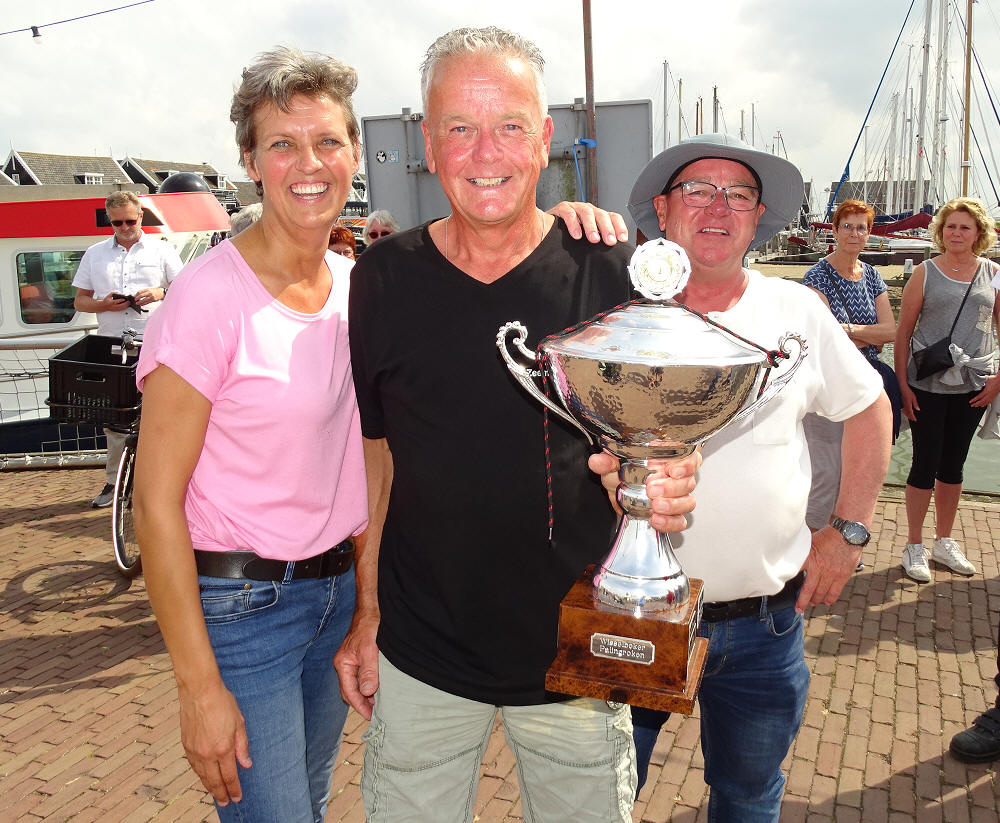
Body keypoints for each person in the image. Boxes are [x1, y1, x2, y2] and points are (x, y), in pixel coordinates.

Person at [337, 27, 697, 823]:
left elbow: (656, 441)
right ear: (428, 144)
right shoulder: (382, 278)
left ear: (544, 139)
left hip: (575, 649)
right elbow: (378, 459)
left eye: (508, 124)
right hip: (422, 649)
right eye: (459, 127)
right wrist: (367, 613)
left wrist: (668, 480)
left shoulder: (610, 267)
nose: (483, 150)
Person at [606, 132, 892, 820]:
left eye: (737, 194)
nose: (717, 207)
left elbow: (870, 408)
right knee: (602, 796)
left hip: (765, 624)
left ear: (758, 217)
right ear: (663, 212)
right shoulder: (616, 311)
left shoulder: (795, 310)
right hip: (636, 618)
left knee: (749, 794)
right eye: (697, 190)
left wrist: (848, 531)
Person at [132, 46, 367, 823]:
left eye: (328, 140)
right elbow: (155, 503)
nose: (309, 162)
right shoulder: (207, 299)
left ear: (354, 154)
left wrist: (366, 603)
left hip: (335, 597)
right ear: (249, 162)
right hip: (244, 608)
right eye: (282, 143)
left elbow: (372, 457)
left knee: (311, 799)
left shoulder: (359, 293)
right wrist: (198, 685)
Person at [894, 196, 1000, 583]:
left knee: (954, 464)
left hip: (974, 385)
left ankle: (944, 540)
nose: (956, 233)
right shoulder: (925, 271)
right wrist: (903, 386)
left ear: (978, 234)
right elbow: (904, 331)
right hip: (928, 384)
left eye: (965, 227)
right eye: (951, 226)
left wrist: (998, 380)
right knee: (924, 462)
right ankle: (914, 545)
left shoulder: (993, 272)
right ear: (941, 231)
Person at [800, 200, 898, 568]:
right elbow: (824, 341)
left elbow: (890, 331)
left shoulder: (872, 276)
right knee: (825, 472)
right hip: (826, 389)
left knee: (855, 470)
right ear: (835, 230)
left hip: (865, 387)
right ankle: (808, 548)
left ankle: (838, 543)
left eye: (862, 227)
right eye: (848, 226)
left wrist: (849, 331)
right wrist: (863, 336)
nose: (855, 234)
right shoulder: (817, 277)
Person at [72, 190, 182, 508]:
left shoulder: (163, 250)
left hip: (155, 345)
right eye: (117, 222)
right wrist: (102, 304)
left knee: (159, 416)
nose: (124, 226)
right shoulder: (94, 253)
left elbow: (185, 288)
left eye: (130, 220)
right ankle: (114, 482)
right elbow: (80, 300)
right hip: (111, 347)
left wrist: (160, 292)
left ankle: (158, 485)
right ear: (109, 220)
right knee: (115, 419)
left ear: (140, 217)